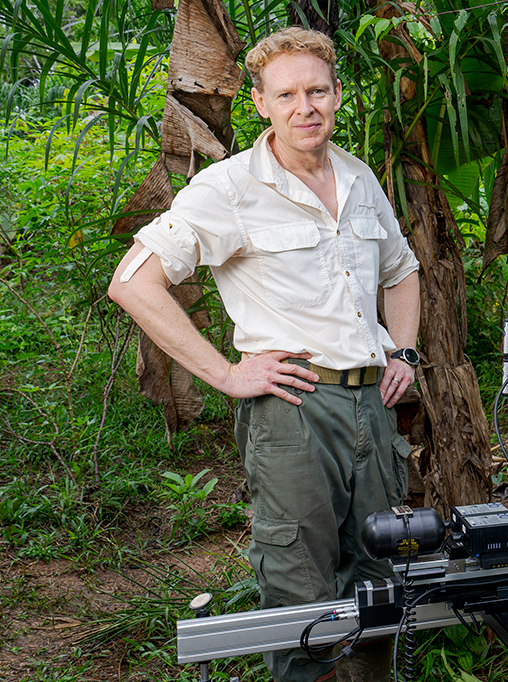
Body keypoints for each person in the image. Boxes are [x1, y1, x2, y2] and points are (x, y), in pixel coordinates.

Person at [108, 27, 420, 682]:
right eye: (287, 94)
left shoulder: (360, 179)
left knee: (382, 582)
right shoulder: (229, 189)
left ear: (337, 95)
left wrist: (405, 352)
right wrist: (224, 373)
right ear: (260, 103)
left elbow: (402, 269)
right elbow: (133, 282)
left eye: (316, 91)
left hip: (374, 408)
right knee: (300, 599)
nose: (304, 106)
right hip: (294, 410)